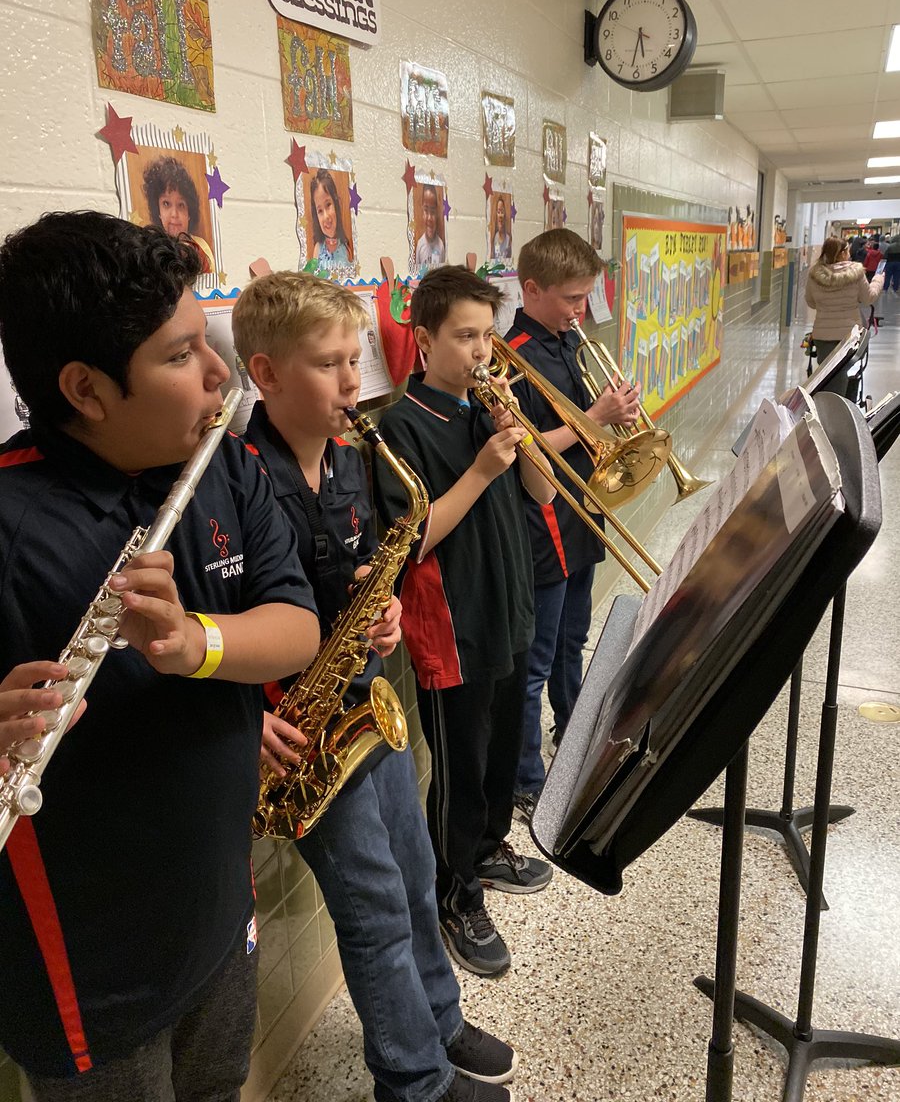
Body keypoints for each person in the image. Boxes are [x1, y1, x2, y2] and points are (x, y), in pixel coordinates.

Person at [0, 211, 321, 1099]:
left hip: (219, 906)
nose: (220, 371)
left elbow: (297, 626)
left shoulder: (223, 462)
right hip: (89, 974)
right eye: (181, 355)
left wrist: (192, 643)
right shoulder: (11, 522)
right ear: (87, 389)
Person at [232, 271, 518, 1102]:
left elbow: (364, 570)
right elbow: (217, 622)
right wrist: (248, 715)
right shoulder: (237, 480)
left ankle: (440, 1021)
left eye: (354, 360)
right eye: (329, 365)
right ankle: (414, 1081)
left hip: (359, 696)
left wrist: (383, 610)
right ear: (265, 374)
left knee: (416, 868)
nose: (353, 383)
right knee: (374, 908)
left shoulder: (351, 456)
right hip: (300, 726)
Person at [373, 265, 555, 979]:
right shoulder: (401, 425)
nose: (482, 351)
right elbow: (413, 540)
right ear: (424, 340)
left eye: (488, 335)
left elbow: (543, 492)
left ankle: (486, 850)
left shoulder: (489, 408)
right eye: (465, 336)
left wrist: (520, 434)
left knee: (502, 752)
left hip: (508, 608)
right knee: (460, 769)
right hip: (453, 628)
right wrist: (480, 469)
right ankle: (455, 893)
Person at [505, 230, 641, 820]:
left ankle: (574, 729)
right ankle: (526, 778)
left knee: (572, 638)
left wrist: (615, 415)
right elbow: (527, 447)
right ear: (532, 289)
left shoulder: (566, 342)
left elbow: (583, 430)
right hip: (543, 521)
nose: (581, 310)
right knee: (537, 658)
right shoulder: (512, 355)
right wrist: (594, 417)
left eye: (586, 296)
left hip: (582, 509)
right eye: (571, 298)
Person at [805, 236, 883, 398]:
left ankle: (825, 403)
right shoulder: (856, 273)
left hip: (822, 335)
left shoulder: (814, 274)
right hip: (850, 336)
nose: (849, 253)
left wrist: (827, 305)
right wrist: (878, 280)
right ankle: (838, 405)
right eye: (847, 250)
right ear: (841, 253)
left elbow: (811, 302)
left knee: (826, 374)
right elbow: (868, 298)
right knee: (840, 373)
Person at [142, 155, 214, 274]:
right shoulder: (151, 248)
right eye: (166, 204)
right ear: (158, 211)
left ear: (189, 213)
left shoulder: (201, 248)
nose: (174, 214)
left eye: (181, 205)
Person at [309, 168, 352, 271]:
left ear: (336, 203)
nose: (326, 216)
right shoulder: (318, 249)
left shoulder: (345, 248)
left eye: (328, 205)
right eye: (320, 211)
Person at [415, 184, 446, 269]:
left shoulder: (440, 246)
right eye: (426, 210)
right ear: (422, 213)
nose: (429, 218)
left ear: (437, 214)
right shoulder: (420, 245)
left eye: (432, 212)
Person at [491, 197, 511, 261]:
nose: (500, 216)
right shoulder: (494, 238)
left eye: (502, 212)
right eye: (498, 212)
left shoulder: (508, 239)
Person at [882, 229, 900, 294]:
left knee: (888, 276)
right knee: (897, 276)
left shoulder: (890, 246)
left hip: (890, 262)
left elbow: (885, 255)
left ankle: (885, 288)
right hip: (898, 263)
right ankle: (895, 288)